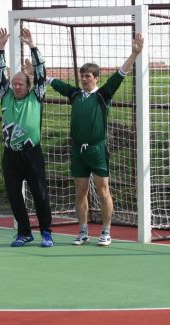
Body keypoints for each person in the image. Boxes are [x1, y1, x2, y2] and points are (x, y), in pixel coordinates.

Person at [47, 33, 144, 246]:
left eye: (88, 76)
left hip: (97, 150)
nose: (83, 79)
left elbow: (121, 73)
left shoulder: (103, 94)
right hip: (78, 152)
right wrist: (35, 69)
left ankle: (106, 232)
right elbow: (53, 81)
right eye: (82, 76)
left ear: (96, 78)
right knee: (80, 191)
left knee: (103, 190)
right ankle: (82, 232)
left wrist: (135, 53)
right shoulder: (74, 95)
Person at [0, 27, 54, 248]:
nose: (17, 86)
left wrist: (32, 45)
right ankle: (24, 232)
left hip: (32, 154)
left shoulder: (36, 96)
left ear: (28, 86)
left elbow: (41, 72)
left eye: (21, 84)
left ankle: (46, 232)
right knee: (13, 195)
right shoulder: (5, 96)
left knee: (39, 193)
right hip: (11, 156)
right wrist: (1, 47)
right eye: (14, 84)